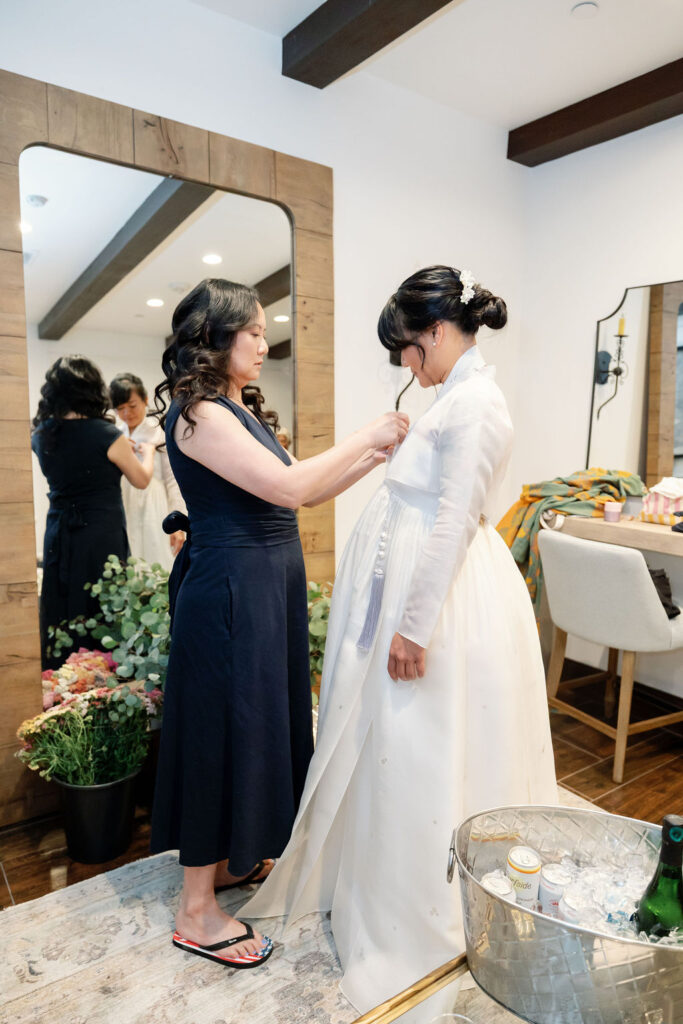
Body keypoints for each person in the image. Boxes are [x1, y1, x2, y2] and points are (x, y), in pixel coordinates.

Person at [243, 266, 558, 1012]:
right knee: (392, 740)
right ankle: (379, 881)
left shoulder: (478, 403)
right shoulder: (453, 396)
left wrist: (414, 627)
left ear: (439, 334)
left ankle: (427, 913)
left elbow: (452, 521)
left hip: (440, 602)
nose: (404, 368)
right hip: (411, 589)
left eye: (408, 351)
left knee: (425, 742)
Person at [149, 278, 408, 970]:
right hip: (230, 593)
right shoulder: (197, 414)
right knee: (219, 729)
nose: (265, 343)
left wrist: (371, 459)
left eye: (265, 332)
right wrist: (367, 433)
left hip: (265, 588)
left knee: (257, 720)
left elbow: (302, 493)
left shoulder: (237, 409)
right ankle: (195, 910)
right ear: (215, 335)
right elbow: (291, 488)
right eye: (253, 331)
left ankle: (231, 863)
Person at [32, 356, 155, 667]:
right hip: (101, 533)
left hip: (59, 531)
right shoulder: (107, 434)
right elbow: (141, 480)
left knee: (63, 602)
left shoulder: (42, 434)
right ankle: (104, 679)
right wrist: (150, 452)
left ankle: (61, 678)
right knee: (104, 605)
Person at [110, 372, 186, 571]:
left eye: (132, 406)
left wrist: (177, 520)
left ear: (145, 400)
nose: (127, 413)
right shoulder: (116, 434)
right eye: (120, 409)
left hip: (155, 504)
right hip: (125, 503)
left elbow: (173, 480)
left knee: (157, 562)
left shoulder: (159, 431)